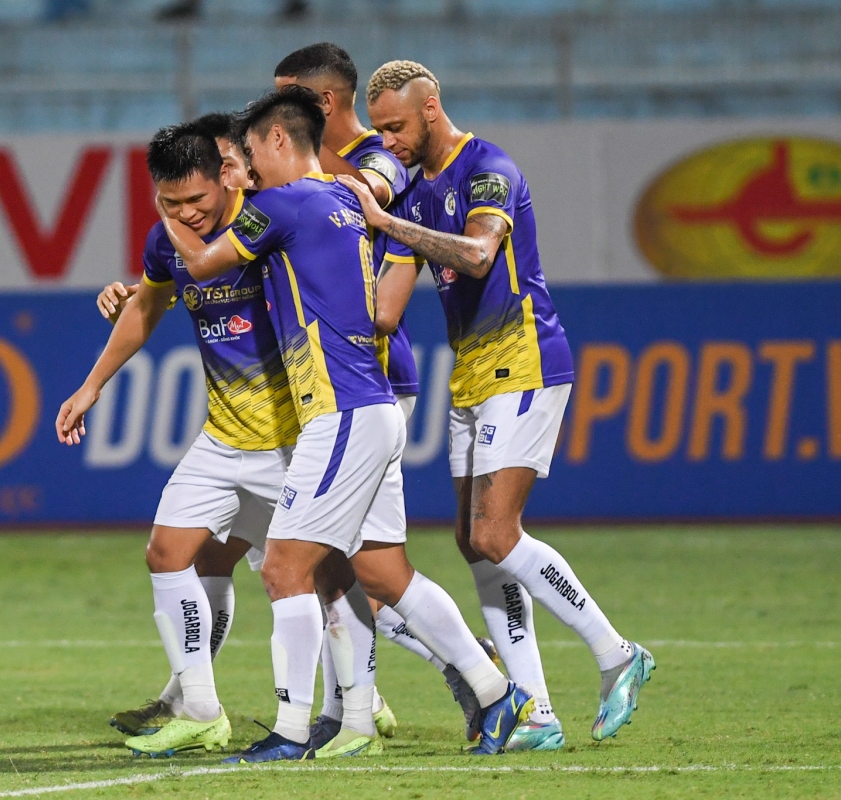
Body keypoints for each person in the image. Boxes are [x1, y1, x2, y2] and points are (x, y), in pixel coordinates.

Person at [158, 86, 534, 761]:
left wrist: (169, 214)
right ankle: (495, 693)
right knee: (385, 573)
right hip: (371, 405)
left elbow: (202, 263)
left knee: (282, 569)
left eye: (242, 157)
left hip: (342, 415)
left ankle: (291, 730)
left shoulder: (280, 204)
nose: (236, 171)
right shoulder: (338, 197)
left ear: (278, 142)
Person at [339, 59, 655, 745]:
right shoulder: (413, 194)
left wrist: (384, 224)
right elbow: (386, 311)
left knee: (493, 533)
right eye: (380, 130)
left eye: (395, 127)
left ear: (429, 108)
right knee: (473, 544)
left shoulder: (488, 170)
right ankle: (535, 712)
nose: (386, 142)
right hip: (472, 375)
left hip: (527, 363)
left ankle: (617, 654)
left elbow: (480, 256)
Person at [273, 41, 499, 748]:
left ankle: (371, 705)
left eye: (287, 98)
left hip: (364, 380)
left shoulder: (380, 160)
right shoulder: (321, 173)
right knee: (362, 564)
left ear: (320, 103)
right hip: (336, 386)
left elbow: (374, 192)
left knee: (321, 561)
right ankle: (387, 703)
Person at [56, 117, 298, 757]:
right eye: (171, 203)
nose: (187, 214)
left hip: (294, 439)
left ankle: (469, 683)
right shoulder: (166, 242)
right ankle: (199, 708)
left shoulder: (268, 221)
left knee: (357, 582)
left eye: (196, 200)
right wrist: (92, 386)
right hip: (224, 438)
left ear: (225, 175)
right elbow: (148, 306)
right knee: (168, 554)